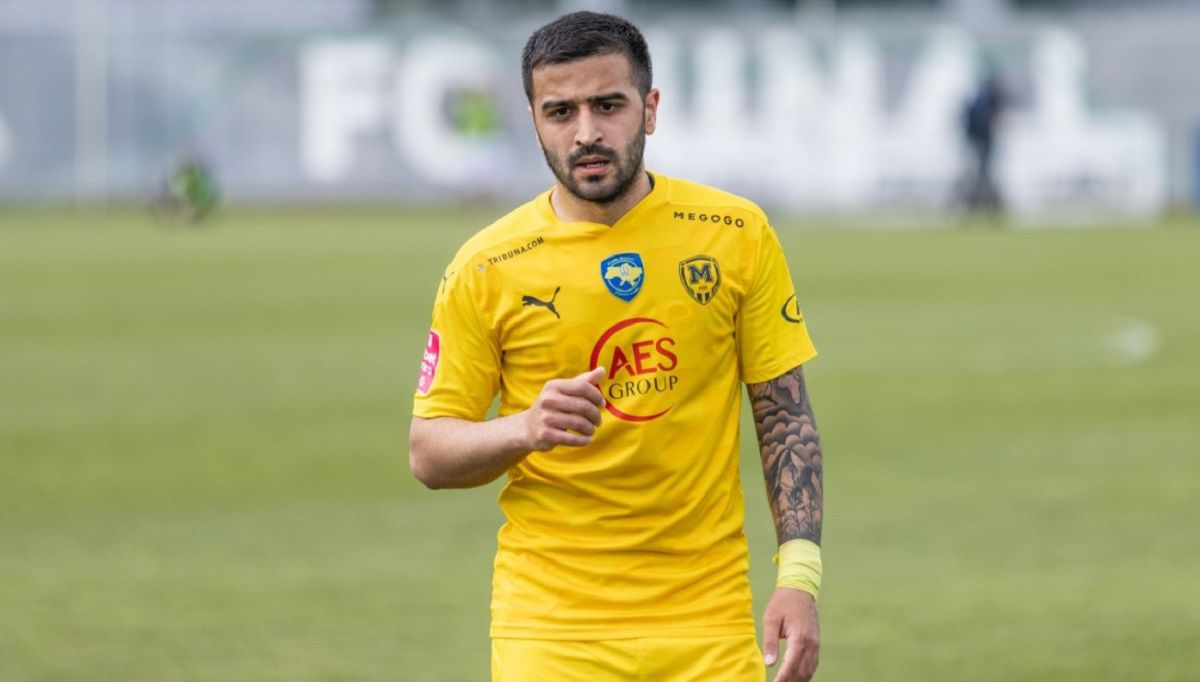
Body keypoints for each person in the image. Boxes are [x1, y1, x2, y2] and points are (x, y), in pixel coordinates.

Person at [409, 12, 826, 682]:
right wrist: (524, 428)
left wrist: (799, 578)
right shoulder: (486, 266)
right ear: (534, 121)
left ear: (650, 108)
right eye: (560, 112)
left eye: (608, 105)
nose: (586, 133)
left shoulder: (734, 234)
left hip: (708, 622)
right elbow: (428, 452)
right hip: (551, 630)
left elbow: (784, 414)